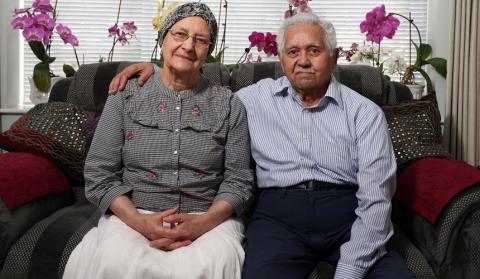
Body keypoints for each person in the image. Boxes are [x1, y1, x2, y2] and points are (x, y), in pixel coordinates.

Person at [108, 12, 412, 279]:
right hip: (278, 219)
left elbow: (376, 200)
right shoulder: (248, 100)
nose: (302, 60)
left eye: (314, 51)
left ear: (333, 57)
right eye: (293, 51)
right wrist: (152, 69)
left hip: (348, 214)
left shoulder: (365, 113)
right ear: (281, 59)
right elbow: (196, 93)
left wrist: (348, 272)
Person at [62, 3, 254, 279]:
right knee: (116, 264)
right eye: (179, 34)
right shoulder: (125, 96)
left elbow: (239, 180)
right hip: (133, 212)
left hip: (207, 215)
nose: (188, 46)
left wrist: (201, 224)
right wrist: (141, 222)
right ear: (163, 39)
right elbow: (99, 172)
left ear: (208, 52)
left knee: (213, 265)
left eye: (200, 40)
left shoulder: (229, 104)